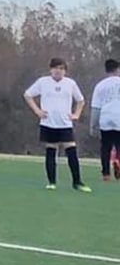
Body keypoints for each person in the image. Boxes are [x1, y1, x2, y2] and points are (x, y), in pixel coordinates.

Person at [23, 58, 91, 192]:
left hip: (65, 124)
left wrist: (76, 114)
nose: (58, 71)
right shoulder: (43, 82)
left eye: (61, 68)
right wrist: (37, 111)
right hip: (48, 123)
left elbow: (81, 100)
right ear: (50, 69)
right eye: (55, 68)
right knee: (51, 151)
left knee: (71, 151)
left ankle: (77, 182)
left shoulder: (70, 83)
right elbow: (27, 95)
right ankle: (52, 182)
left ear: (65, 71)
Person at [90, 58, 120, 182]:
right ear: (117, 69)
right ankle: (118, 160)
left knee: (105, 146)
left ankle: (106, 174)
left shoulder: (100, 85)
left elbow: (96, 107)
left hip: (106, 117)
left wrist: (93, 124)